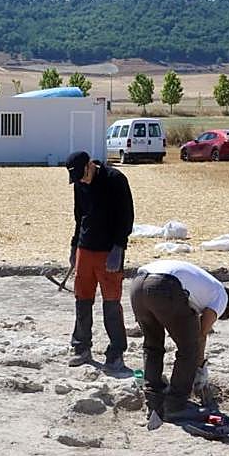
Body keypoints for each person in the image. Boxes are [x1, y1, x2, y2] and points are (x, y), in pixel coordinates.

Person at [130, 259, 229, 422]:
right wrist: (200, 370)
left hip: (137, 285)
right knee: (189, 349)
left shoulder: (203, 287)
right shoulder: (221, 297)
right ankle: (176, 405)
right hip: (164, 286)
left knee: (153, 346)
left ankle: (154, 401)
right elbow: (200, 337)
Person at [66, 151, 134, 370]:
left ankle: (116, 352)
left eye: (82, 175)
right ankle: (81, 347)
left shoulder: (115, 180)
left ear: (90, 165)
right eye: (76, 178)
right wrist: (75, 245)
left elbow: (126, 216)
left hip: (109, 251)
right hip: (85, 249)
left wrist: (118, 247)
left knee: (111, 303)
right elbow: (80, 216)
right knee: (82, 300)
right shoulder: (80, 183)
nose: (81, 181)